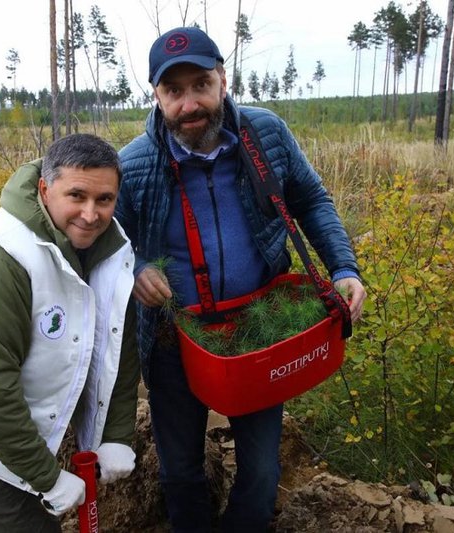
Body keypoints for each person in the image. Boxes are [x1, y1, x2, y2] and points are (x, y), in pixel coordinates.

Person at [115, 27, 367, 532]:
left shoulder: (265, 136)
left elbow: (312, 200)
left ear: (224, 80)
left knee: (262, 469)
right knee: (181, 469)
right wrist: (136, 270)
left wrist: (343, 268)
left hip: (259, 331)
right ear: (157, 96)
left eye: (201, 84)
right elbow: (108, 247)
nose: (190, 104)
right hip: (175, 339)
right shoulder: (133, 164)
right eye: (174, 91)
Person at [0, 133, 140, 532]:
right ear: (45, 189)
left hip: (25, 412)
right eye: (77, 196)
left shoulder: (110, 250)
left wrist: (117, 434)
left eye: (105, 200)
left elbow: (117, 347)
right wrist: (47, 478)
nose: (91, 214)